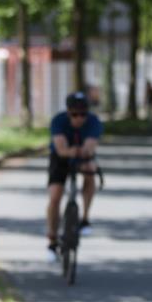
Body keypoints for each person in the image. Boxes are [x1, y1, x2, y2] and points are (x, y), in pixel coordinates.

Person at [46, 91, 103, 262]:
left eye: (83, 114)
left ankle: (84, 218)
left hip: (82, 157)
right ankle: (52, 240)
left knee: (90, 171)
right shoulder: (58, 121)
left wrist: (81, 152)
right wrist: (73, 150)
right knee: (55, 196)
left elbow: (89, 148)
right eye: (74, 114)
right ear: (68, 112)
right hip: (60, 159)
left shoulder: (94, 122)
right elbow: (61, 149)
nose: (79, 118)